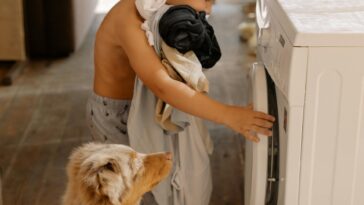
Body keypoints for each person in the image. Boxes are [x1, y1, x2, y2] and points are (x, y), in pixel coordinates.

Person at [86, 0, 275, 204]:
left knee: (154, 179)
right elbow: (162, 86)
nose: (207, 10)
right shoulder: (127, 18)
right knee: (128, 189)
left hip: (140, 110)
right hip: (114, 116)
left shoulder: (160, 12)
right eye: (207, 0)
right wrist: (228, 115)